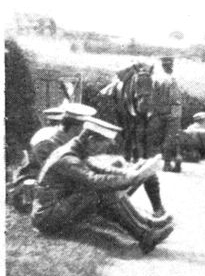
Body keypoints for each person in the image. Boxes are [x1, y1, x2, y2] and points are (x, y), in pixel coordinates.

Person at [31, 117, 174, 254]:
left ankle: (147, 226)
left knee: (104, 189)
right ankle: (144, 235)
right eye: (101, 147)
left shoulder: (75, 149)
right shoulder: (68, 158)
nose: (101, 152)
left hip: (54, 211)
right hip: (47, 218)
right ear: (91, 140)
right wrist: (130, 179)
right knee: (101, 191)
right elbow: (93, 180)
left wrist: (128, 173)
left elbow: (100, 168)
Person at [150, 56, 183, 173]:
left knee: (162, 136)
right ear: (171, 65)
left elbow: (153, 97)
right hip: (174, 112)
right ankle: (170, 162)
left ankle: (167, 162)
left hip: (160, 111)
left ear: (163, 66)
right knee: (172, 137)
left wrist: (155, 110)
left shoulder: (157, 79)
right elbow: (176, 98)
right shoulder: (175, 79)